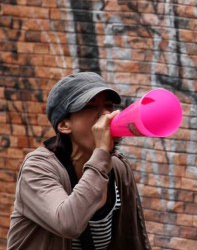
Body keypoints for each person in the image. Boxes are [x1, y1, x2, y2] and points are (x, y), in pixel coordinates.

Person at [7, 72, 151, 249]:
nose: (106, 115)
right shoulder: (37, 168)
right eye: (91, 107)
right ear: (64, 125)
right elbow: (68, 223)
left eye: (108, 106)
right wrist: (101, 152)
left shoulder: (117, 169)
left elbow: (131, 239)